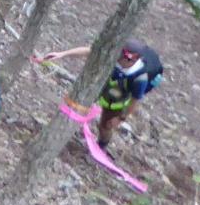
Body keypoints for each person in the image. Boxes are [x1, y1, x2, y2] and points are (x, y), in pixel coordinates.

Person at [34, 41, 164, 148]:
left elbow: (135, 101)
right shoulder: (114, 54)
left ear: (135, 60)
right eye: (123, 56)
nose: (124, 60)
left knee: (105, 125)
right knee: (76, 105)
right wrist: (62, 54)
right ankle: (59, 130)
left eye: (129, 59)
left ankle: (101, 146)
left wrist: (120, 118)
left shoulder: (140, 78)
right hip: (102, 83)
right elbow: (89, 51)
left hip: (120, 95)